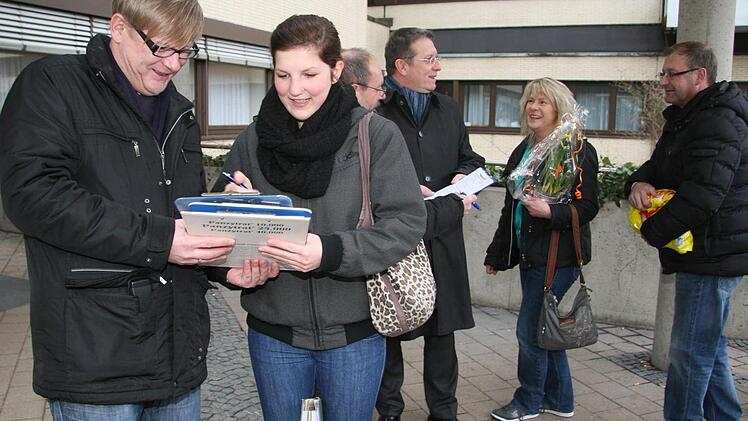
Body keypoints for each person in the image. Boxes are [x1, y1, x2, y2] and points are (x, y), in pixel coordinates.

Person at [0, 0, 237, 420]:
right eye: (161, 47)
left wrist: (227, 255)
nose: (172, 65)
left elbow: (183, 218)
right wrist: (162, 241)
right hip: (96, 359)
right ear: (119, 27)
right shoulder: (52, 84)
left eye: (185, 51)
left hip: (177, 356)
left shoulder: (180, 111)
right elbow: (32, 195)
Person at [211, 15, 427, 421]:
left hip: (354, 337)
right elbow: (215, 237)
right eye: (282, 74)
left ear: (336, 70)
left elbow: (405, 224)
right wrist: (231, 226)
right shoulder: (251, 141)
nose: (295, 89)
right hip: (273, 335)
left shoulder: (374, 135)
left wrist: (328, 252)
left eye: (309, 73)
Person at [626, 41, 747, 421]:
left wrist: (653, 232)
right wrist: (638, 183)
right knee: (708, 349)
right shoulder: (688, 117)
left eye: (670, 73)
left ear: (699, 76)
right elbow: (657, 166)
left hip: (711, 257)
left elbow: (703, 196)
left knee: (688, 355)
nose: (663, 81)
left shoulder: (718, 120)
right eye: (663, 73)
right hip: (705, 253)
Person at [375, 27, 485, 421]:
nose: (438, 66)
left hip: (444, 240)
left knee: (443, 337)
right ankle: (389, 411)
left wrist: (464, 176)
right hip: (395, 245)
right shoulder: (376, 110)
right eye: (429, 59)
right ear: (401, 66)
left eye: (437, 58)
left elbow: (471, 159)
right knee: (388, 328)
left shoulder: (447, 108)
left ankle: (444, 413)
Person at [484, 77, 599, 421]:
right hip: (529, 254)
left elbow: (588, 205)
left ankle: (528, 401)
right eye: (530, 101)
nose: (534, 107)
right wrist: (498, 253)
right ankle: (560, 400)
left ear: (558, 108)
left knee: (530, 331)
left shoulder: (576, 150)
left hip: (555, 257)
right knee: (545, 327)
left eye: (543, 102)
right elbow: (511, 207)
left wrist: (553, 212)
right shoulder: (526, 149)